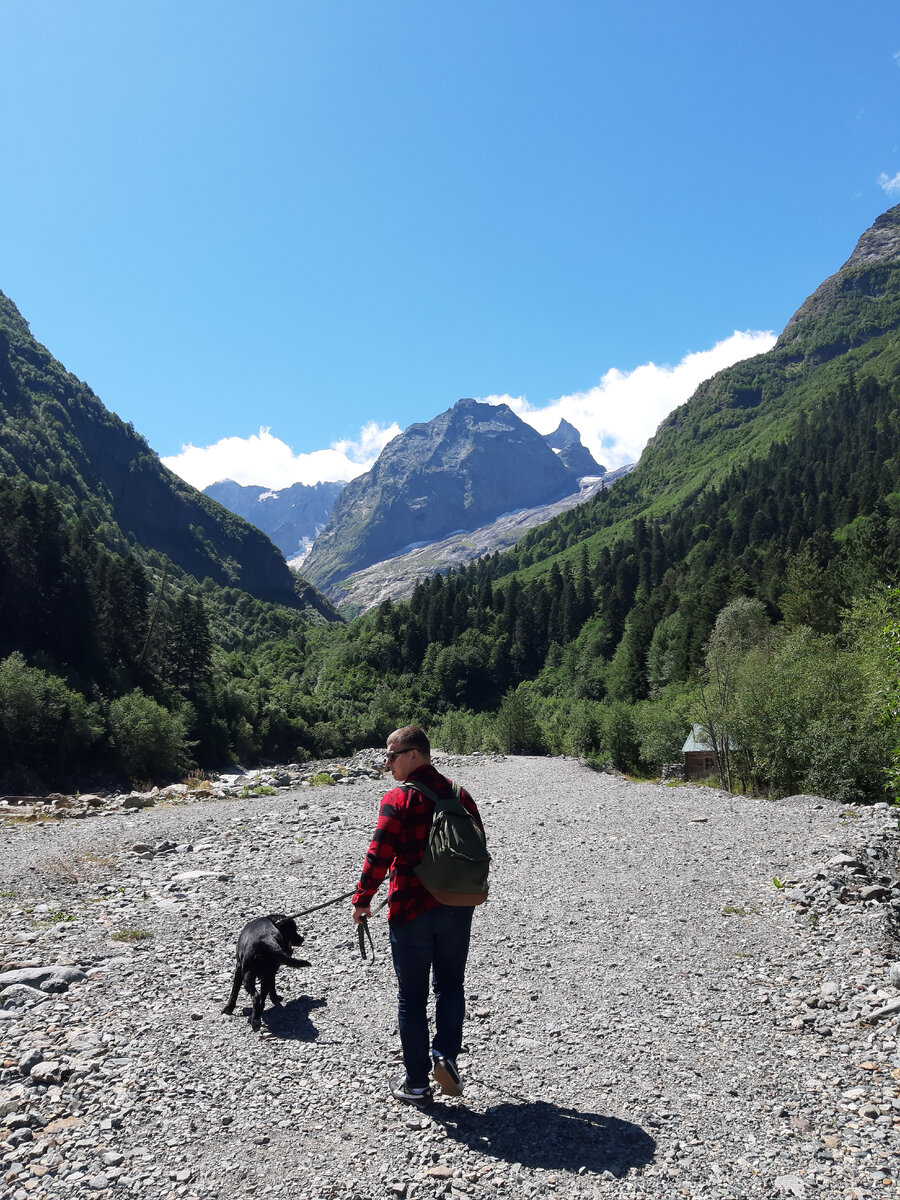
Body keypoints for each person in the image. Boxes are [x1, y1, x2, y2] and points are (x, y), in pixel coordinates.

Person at [351, 724, 484, 1106]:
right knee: (451, 985)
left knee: (412, 997)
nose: (386, 763)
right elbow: (476, 847)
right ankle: (445, 1055)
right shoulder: (460, 794)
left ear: (414, 755)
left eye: (391, 756)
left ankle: (417, 1085)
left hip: (411, 908)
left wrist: (362, 900)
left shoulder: (398, 798)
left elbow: (378, 854)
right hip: (457, 906)